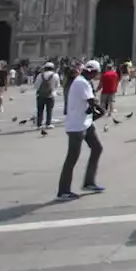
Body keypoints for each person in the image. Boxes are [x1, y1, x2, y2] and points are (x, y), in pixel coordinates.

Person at [57, 60, 105, 200]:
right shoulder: (81, 82)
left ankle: (89, 182)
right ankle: (63, 191)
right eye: (96, 73)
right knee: (72, 157)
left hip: (85, 123)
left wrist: (95, 113)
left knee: (97, 148)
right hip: (76, 126)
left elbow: (89, 104)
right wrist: (101, 110)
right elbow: (92, 102)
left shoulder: (82, 81)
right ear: (93, 72)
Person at [33, 62, 60, 130]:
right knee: (49, 110)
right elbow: (57, 85)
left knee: (40, 110)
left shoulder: (40, 75)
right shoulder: (55, 75)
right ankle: (48, 124)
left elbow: (36, 86)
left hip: (40, 95)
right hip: (51, 95)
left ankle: (39, 125)